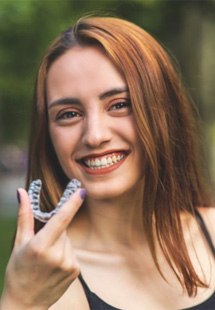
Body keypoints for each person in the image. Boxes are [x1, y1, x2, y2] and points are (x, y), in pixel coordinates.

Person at [0, 16, 214, 310]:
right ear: (47, 136)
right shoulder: (52, 281)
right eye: (69, 114)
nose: (95, 136)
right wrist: (20, 301)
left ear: (164, 111)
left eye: (119, 105)